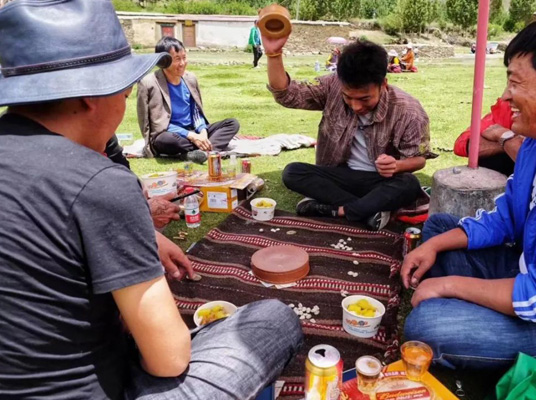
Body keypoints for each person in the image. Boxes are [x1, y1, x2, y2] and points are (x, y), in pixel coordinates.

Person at [0, 2, 302, 400]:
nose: (124, 104)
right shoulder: (101, 183)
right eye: (123, 93)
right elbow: (169, 359)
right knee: (274, 319)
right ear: (93, 96)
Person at [401, 17, 536, 377]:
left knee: (427, 326)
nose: (506, 95)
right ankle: (469, 302)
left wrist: (448, 285)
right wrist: (433, 246)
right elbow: (506, 216)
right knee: (441, 229)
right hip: (526, 268)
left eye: (515, 81)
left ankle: (477, 321)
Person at [263, 34, 431, 231]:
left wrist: (396, 165)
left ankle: (339, 210)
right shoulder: (331, 85)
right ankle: (370, 209)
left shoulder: (409, 111)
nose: (356, 106)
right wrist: (273, 54)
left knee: (409, 183)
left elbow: (419, 159)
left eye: (365, 99)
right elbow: (288, 95)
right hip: (339, 176)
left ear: (383, 84)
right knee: (293, 172)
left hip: (380, 181)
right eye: (348, 97)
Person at [137, 37, 240, 164]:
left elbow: (196, 111)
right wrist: (190, 136)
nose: (182, 63)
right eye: (177, 59)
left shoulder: (190, 78)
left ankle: (198, 152)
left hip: (193, 131)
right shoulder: (149, 83)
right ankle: (207, 148)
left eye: (184, 57)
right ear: (163, 61)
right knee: (165, 141)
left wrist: (202, 132)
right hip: (169, 134)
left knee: (232, 123)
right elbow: (153, 123)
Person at [454, 98, 524, 176]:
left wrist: (505, 139)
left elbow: (531, 160)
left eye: (516, 86)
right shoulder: (508, 108)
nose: (506, 95)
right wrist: (506, 140)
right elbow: (464, 144)